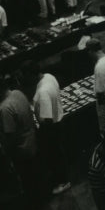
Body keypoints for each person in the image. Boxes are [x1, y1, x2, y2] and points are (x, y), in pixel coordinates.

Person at [0, 77, 44, 201]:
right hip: (32, 140)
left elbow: (10, 135)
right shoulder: (18, 93)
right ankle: (42, 197)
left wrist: (7, 154)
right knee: (36, 175)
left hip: (21, 150)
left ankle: (35, 204)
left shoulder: (5, 109)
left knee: (28, 180)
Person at [28, 62, 71, 195]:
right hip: (58, 119)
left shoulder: (43, 92)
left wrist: (38, 121)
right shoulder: (49, 76)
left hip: (51, 128)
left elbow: (46, 120)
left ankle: (63, 182)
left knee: (55, 154)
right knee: (58, 152)